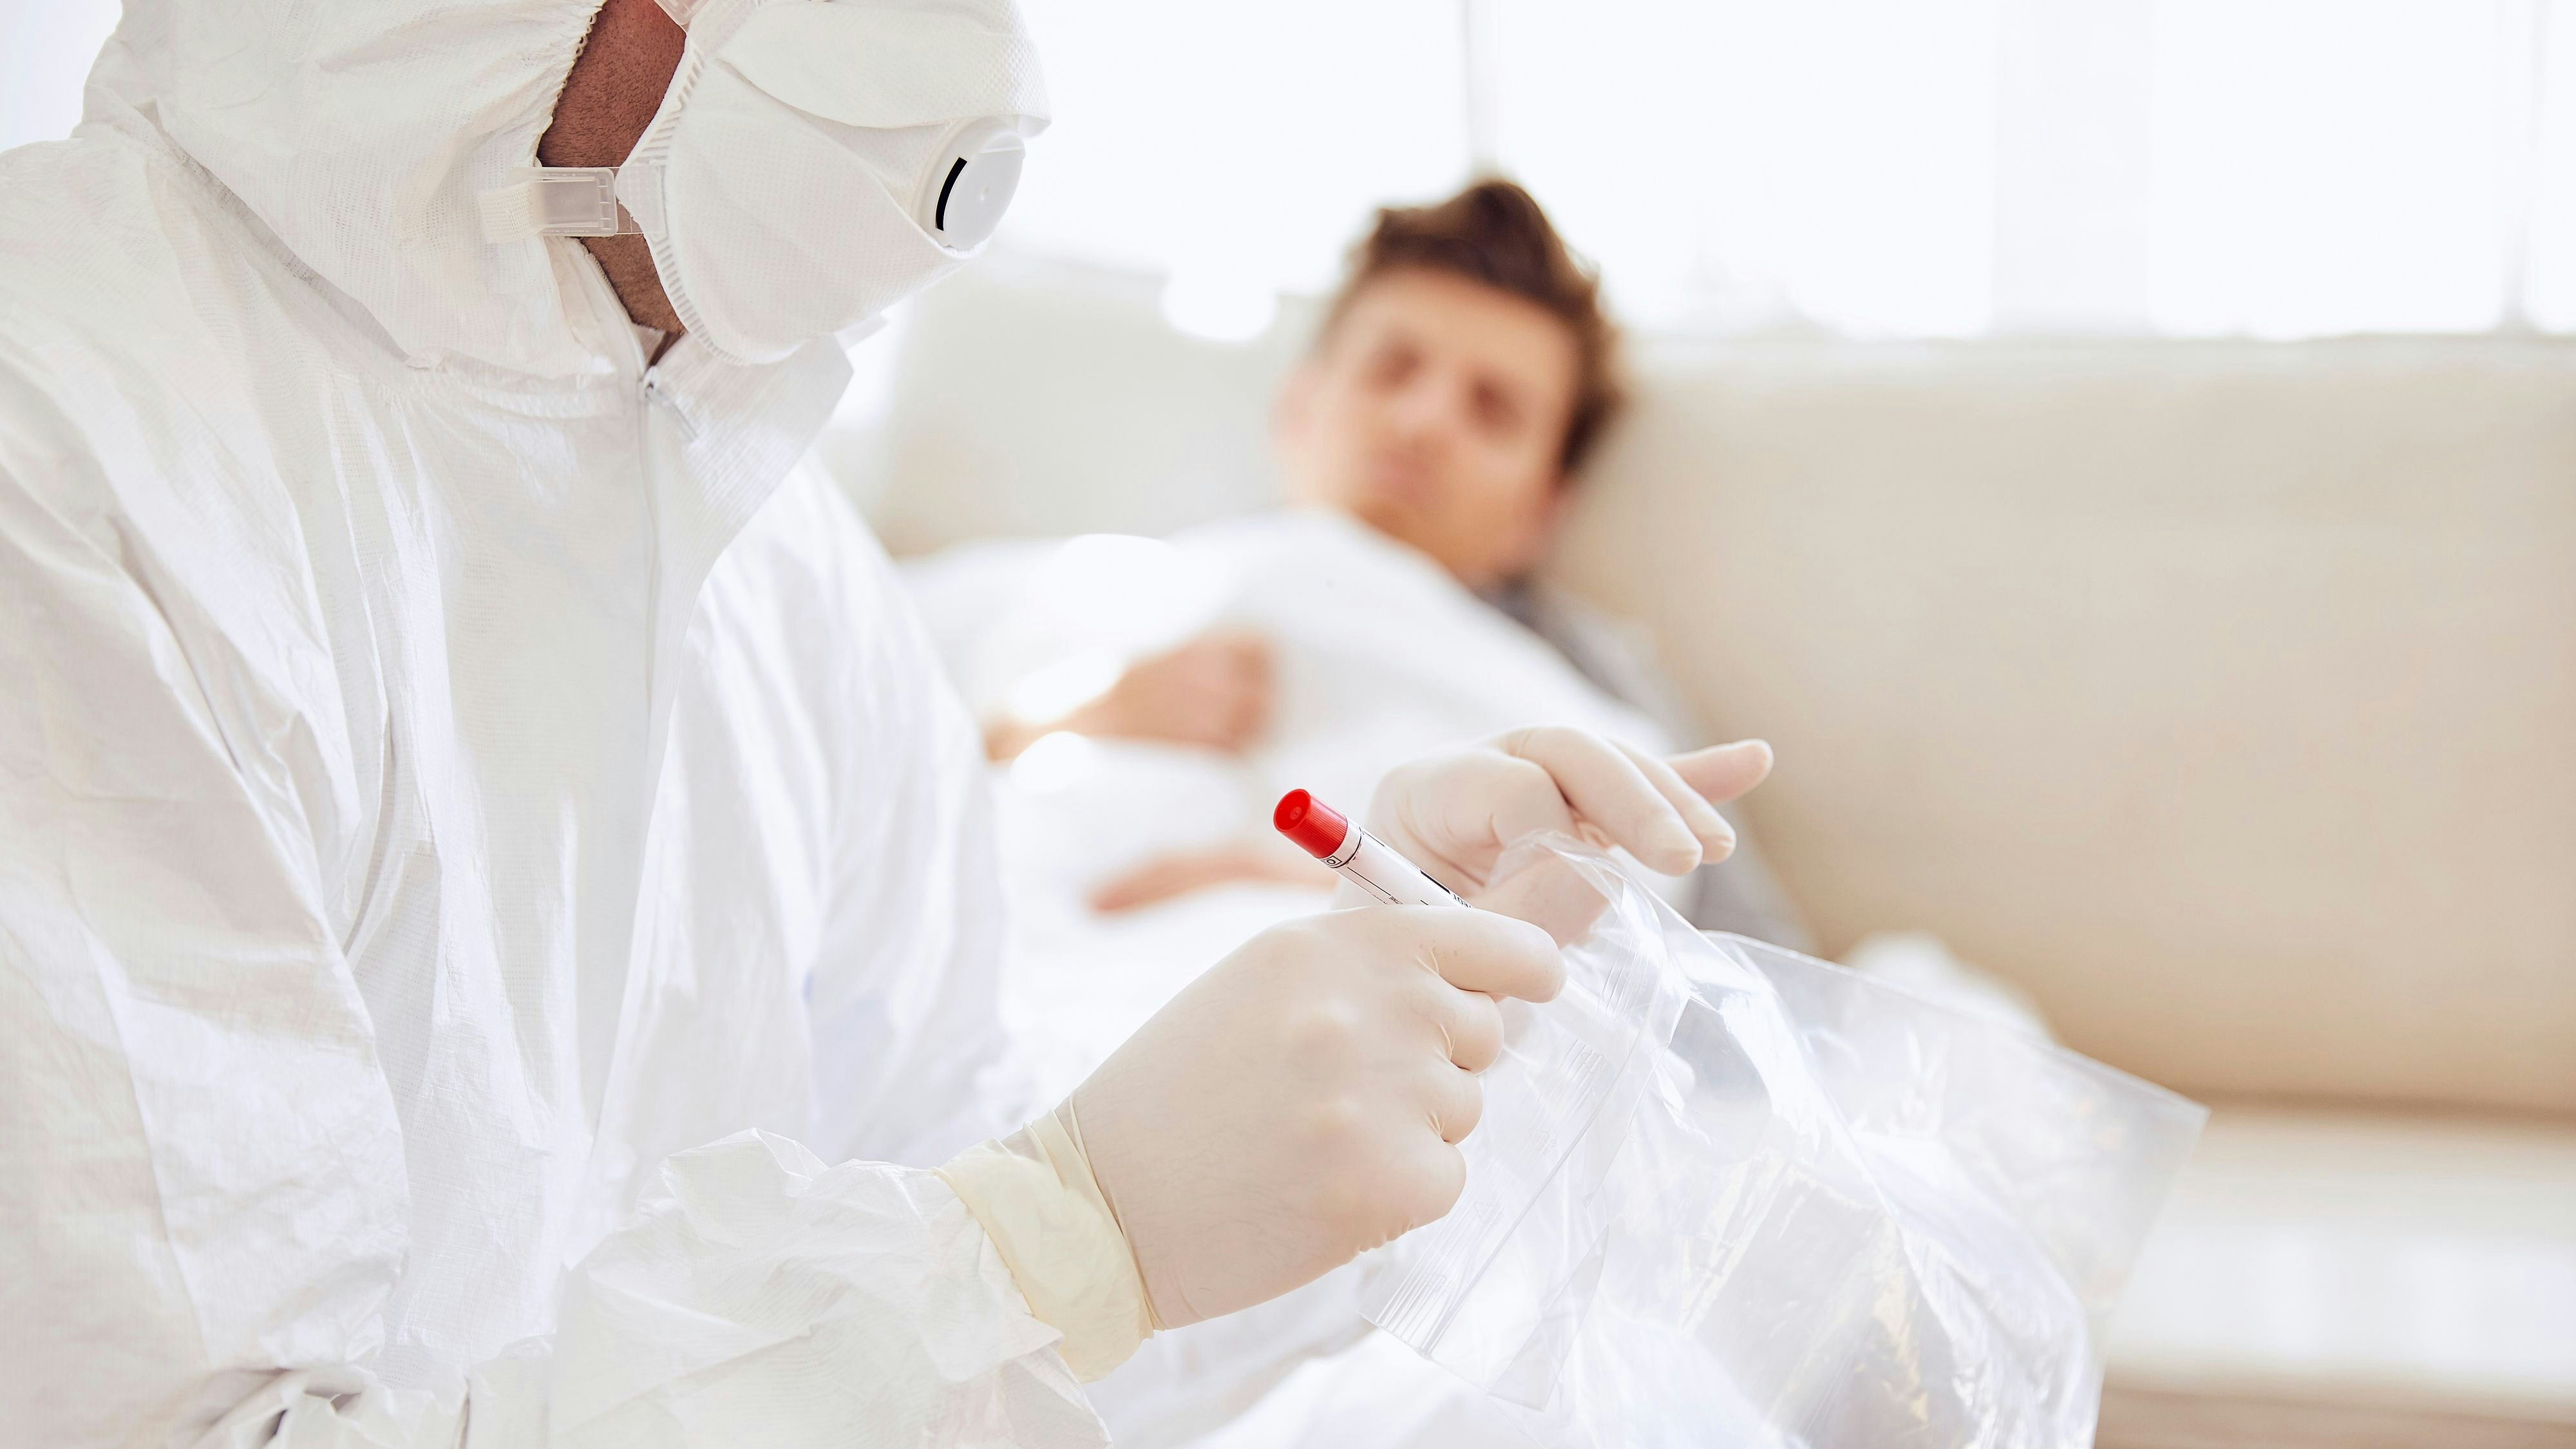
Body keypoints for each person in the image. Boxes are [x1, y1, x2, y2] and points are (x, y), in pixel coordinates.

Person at [0, 3, 1773, 1446]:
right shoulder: (71, 444)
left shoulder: (763, 529)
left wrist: (1381, 1043)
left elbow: (964, 1229)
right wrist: (1053, 1233)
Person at [922, 180, 1809, 949]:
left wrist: (1332, 895)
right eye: (1392, 368)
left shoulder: (1590, 686)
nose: (1423, 420)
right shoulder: (1118, 588)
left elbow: (1738, 970)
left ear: (1540, 511)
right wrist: (1059, 723)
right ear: (1298, 412)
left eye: (1491, 409)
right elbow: (868, 737)